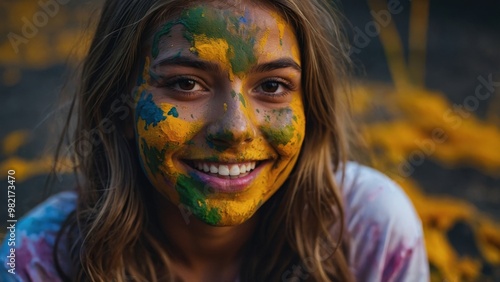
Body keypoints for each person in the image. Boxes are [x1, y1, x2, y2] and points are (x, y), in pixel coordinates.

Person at [0, 0, 429, 281]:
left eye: (274, 86)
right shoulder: (35, 263)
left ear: (310, 105)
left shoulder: (371, 231)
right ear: (119, 102)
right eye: (187, 83)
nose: (236, 129)